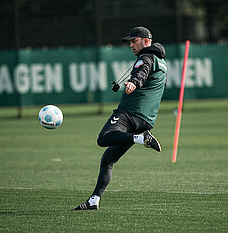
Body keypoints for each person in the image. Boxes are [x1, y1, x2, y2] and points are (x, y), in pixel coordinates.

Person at [74, 26, 167, 210]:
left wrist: (134, 82)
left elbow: (142, 72)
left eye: (134, 41)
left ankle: (141, 138)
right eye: (130, 42)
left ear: (146, 41)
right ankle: (94, 201)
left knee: (103, 138)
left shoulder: (146, 57)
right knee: (108, 160)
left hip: (130, 113)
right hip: (145, 120)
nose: (131, 45)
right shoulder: (161, 62)